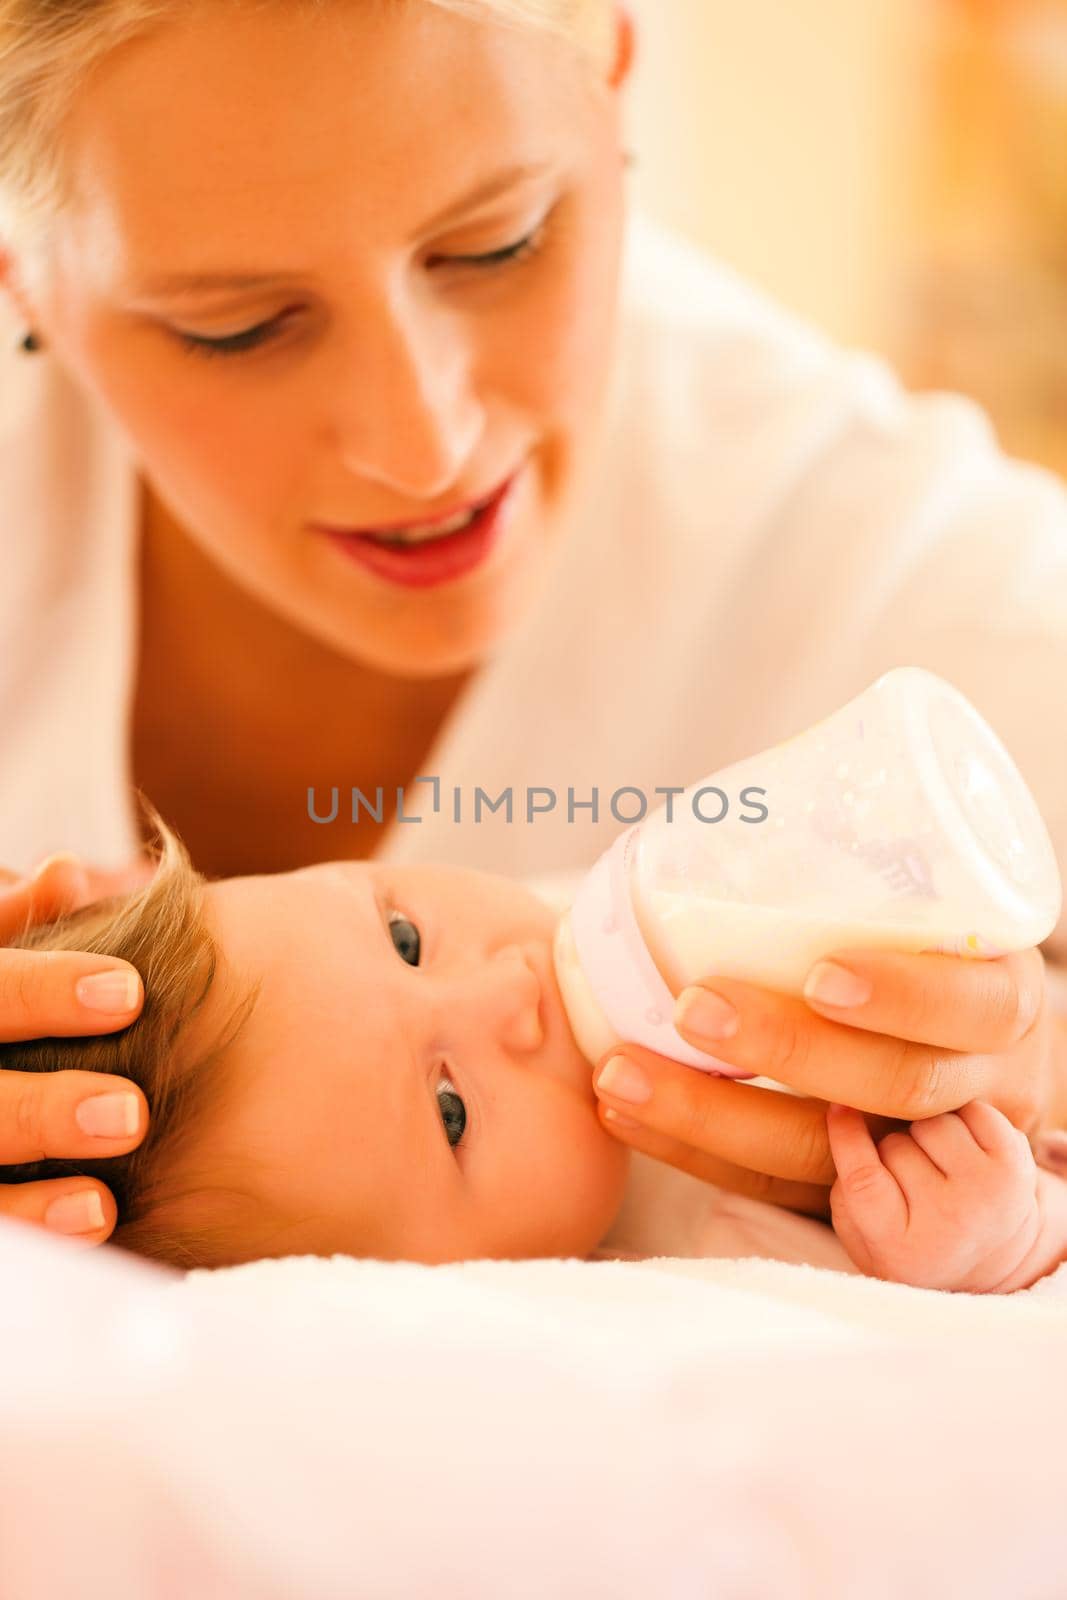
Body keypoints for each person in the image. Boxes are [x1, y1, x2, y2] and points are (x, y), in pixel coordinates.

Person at [2, 0, 1067, 1247]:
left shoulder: (929, 568)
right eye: (234, 326)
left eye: (496, 243)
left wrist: (1032, 1085)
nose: (423, 443)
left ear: (615, 76)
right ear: (21, 267)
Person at [6, 811, 1067, 1293]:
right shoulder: (687, 1267)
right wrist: (1000, 1240)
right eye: (450, 1108)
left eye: (404, 936)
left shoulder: (635, 922)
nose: (508, 990)